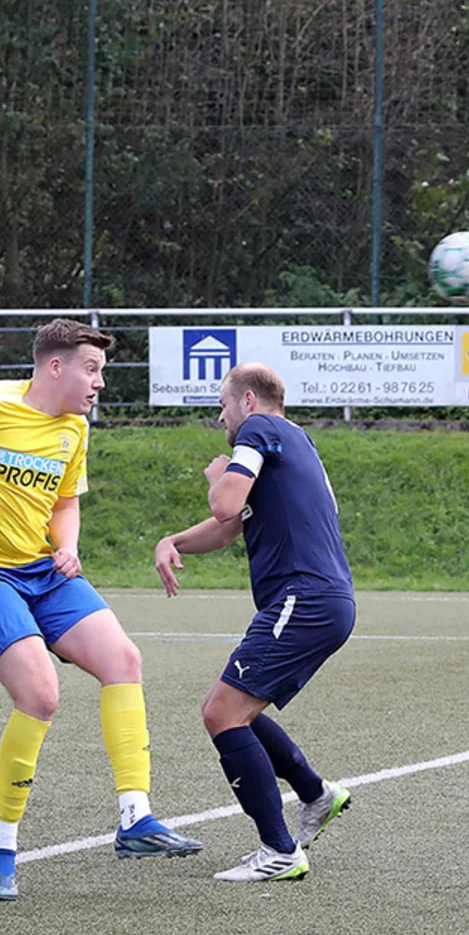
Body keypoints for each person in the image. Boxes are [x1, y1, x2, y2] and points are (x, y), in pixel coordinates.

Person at [0, 320, 203, 901]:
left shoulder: (74, 428)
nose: (99, 383)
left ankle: (135, 819)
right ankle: (1, 846)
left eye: (102, 371)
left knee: (123, 659)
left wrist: (68, 545)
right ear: (55, 367)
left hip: (44, 569)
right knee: (41, 696)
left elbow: (66, 501)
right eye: (91, 370)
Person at [153, 362, 355, 883]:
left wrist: (221, 476)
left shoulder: (260, 429)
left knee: (221, 713)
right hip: (321, 600)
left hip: (303, 598)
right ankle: (315, 793)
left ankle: (280, 850)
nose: (222, 420)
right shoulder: (296, 440)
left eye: (222, 407)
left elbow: (225, 502)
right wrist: (173, 541)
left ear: (247, 400)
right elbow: (229, 528)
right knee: (237, 705)